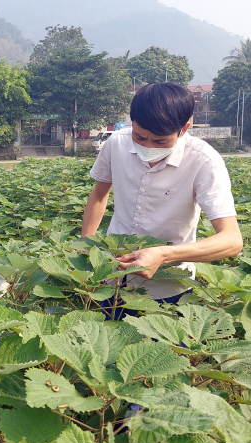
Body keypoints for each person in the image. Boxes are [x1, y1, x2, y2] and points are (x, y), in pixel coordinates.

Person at [81, 82, 243, 319]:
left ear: (184, 129)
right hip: (111, 278)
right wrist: (88, 245)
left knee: (155, 353)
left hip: (167, 287)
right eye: (140, 137)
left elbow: (232, 240)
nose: (147, 147)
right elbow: (99, 194)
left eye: (160, 142)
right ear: (132, 121)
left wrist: (165, 255)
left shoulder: (204, 161)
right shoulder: (116, 143)